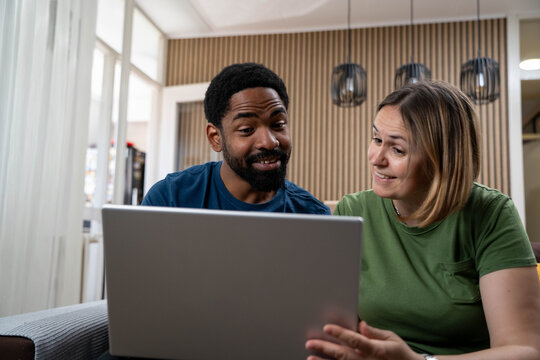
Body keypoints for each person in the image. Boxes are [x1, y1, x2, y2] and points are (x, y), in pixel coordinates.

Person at [305, 81, 540, 360]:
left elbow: (524, 351)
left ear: (441, 158)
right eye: (377, 139)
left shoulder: (491, 213)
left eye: (398, 150)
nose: (377, 159)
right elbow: (334, 325)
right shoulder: (352, 211)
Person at [142, 62, 330, 215]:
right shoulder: (170, 200)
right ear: (216, 138)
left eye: (278, 124)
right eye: (247, 129)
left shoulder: (313, 216)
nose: (269, 141)